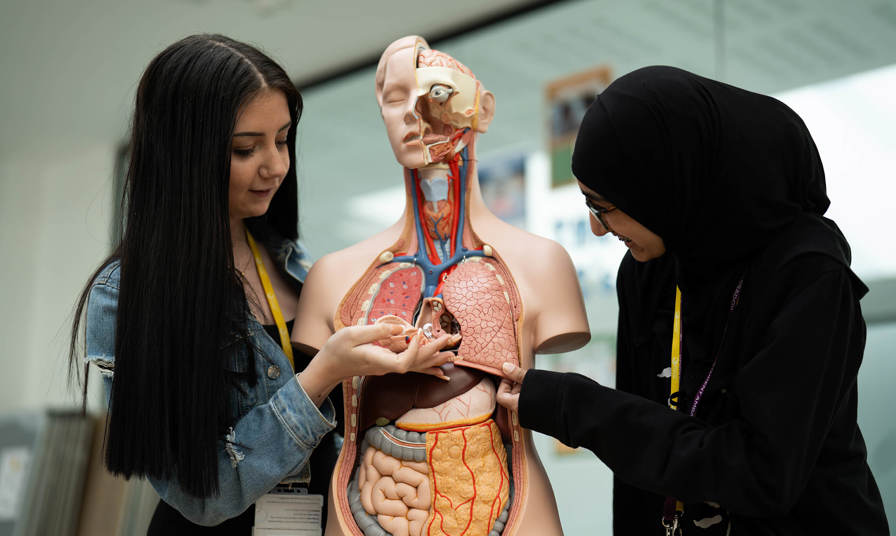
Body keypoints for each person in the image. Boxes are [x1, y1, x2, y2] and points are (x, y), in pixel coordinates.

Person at [68, 34, 456, 534]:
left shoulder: (293, 262)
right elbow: (202, 494)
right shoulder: (126, 296)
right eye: (245, 149)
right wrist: (323, 375)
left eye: (283, 139)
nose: (275, 165)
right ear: (184, 154)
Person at [496, 66, 890, 534]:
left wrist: (578, 409)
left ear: (659, 186)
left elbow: (761, 474)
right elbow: (640, 479)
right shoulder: (651, 269)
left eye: (604, 206)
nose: (598, 228)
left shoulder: (808, 273)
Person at [292, 36, 589, 535]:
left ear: (482, 109)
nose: (413, 113)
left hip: (509, 509)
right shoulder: (334, 277)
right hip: (372, 503)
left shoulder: (542, 263)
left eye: (434, 93)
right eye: (394, 99)